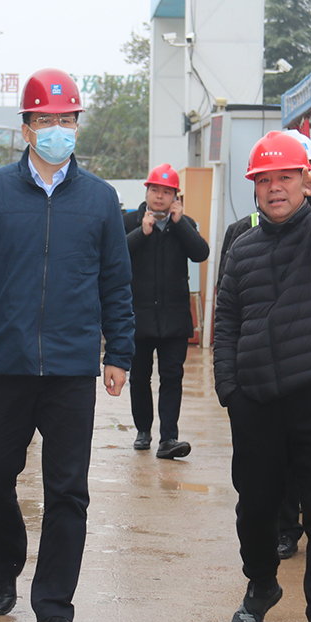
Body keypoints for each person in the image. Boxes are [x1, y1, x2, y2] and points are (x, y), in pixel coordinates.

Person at [0, 68, 135, 622]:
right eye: (45, 119)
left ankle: (54, 609)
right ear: (25, 128)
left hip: (72, 369)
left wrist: (120, 351)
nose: (56, 128)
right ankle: (4, 563)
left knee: (68, 491)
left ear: (77, 125)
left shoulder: (100, 200)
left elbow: (116, 283)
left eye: (66, 119)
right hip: (5, 363)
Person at [214, 130, 311, 622]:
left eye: (286, 177)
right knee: (254, 508)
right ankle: (261, 584)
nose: (275, 188)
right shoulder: (242, 247)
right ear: (254, 188)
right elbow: (226, 321)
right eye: (264, 180)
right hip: (257, 403)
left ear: (305, 181)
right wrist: (230, 390)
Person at [123, 163, 209, 458]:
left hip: (174, 319)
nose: (160, 196)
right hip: (139, 317)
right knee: (139, 378)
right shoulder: (129, 222)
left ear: (176, 197)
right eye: (155, 190)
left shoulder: (184, 224)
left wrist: (180, 223)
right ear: (147, 191)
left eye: (167, 192)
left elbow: (201, 253)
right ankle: (143, 431)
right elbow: (115, 256)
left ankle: (168, 438)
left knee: (172, 377)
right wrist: (142, 232)